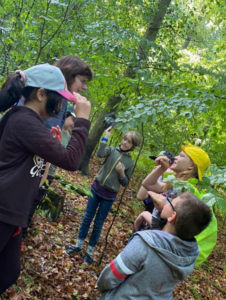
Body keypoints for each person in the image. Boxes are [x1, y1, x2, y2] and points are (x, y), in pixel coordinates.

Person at [0, 64, 91, 294]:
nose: (61, 106)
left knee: (9, 272)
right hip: (3, 209)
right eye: (58, 99)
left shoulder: (32, 123)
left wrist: (50, 150)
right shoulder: (24, 121)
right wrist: (82, 121)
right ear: (41, 94)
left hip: (14, 211)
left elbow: (37, 175)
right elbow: (72, 161)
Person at [21, 56, 93, 242]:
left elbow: (46, 145)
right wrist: (83, 119)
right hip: (20, 183)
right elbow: (66, 159)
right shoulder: (54, 102)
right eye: (82, 81)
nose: (84, 87)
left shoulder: (58, 101)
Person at [97, 192, 212, 300]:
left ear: (172, 216)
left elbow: (111, 276)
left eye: (170, 202)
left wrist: (103, 289)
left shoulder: (144, 244)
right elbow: (164, 233)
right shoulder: (189, 255)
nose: (166, 201)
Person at [66, 127, 142, 265]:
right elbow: (100, 153)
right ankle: (78, 245)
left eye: (129, 142)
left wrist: (121, 173)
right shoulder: (112, 150)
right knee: (87, 217)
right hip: (96, 189)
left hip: (109, 195)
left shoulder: (130, 162)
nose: (125, 143)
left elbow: (125, 183)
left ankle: (89, 252)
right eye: (124, 139)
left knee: (98, 223)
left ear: (133, 146)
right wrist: (105, 137)